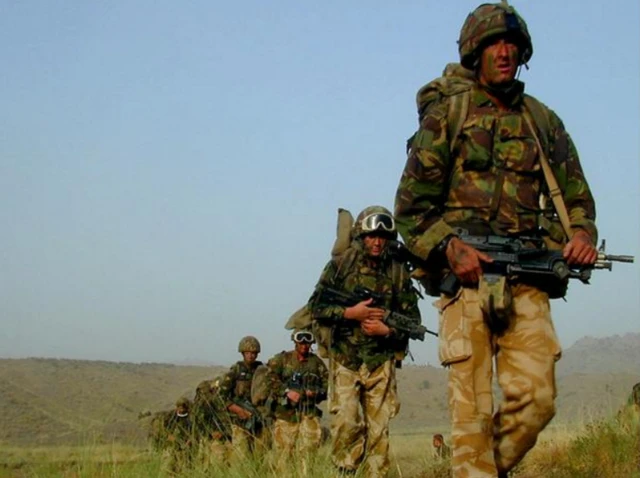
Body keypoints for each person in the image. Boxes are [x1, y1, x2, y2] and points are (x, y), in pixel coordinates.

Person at [395, 3, 598, 477]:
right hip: (464, 285)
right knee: (471, 418)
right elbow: (411, 209)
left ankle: (483, 469)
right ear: (474, 52)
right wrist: (451, 247)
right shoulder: (449, 115)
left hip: (527, 276)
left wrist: (583, 234)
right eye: (493, 45)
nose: (504, 53)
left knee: (538, 400)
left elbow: (577, 197)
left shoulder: (542, 121)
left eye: (511, 45)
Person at [310, 205, 421, 477]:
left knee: (379, 432)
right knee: (346, 424)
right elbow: (316, 307)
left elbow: (412, 321)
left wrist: (387, 331)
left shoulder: (397, 272)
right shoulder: (340, 266)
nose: (377, 241)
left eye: (382, 237)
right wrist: (350, 313)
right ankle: (346, 471)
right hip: (346, 358)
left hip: (380, 362)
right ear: (361, 235)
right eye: (372, 235)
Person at [266, 330, 329, 468]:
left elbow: (327, 385)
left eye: (307, 343)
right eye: (301, 342)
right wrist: (286, 392)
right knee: (284, 454)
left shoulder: (317, 363)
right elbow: (269, 378)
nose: (304, 346)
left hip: (309, 413)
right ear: (295, 342)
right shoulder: (282, 359)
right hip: (286, 413)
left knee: (309, 453)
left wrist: (315, 392)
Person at [217, 335, 266, 458]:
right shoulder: (235, 371)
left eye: (254, 353)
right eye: (248, 352)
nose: (251, 355)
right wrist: (238, 410)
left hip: (259, 420)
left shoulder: (262, 371)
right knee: (241, 456)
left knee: (260, 455)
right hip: (240, 422)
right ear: (243, 353)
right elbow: (221, 397)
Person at [156, 397, 195, 476]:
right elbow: (162, 428)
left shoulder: (190, 417)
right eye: (179, 407)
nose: (181, 410)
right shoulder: (171, 416)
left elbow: (194, 431)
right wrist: (168, 435)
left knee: (184, 468)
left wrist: (190, 439)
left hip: (185, 446)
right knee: (169, 467)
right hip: (171, 445)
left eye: (183, 408)